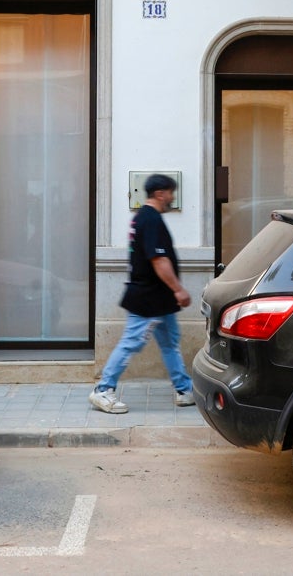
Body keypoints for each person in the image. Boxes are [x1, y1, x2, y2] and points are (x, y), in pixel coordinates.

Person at [89, 173, 194, 413]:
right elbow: (158, 260)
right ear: (160, 194)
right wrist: (178, 289)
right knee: (132, 343)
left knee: (170, 343)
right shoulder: (150, 219)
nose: (172, 198)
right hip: (148, 298)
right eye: (170, 193)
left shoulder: (143, 217)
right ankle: (103, 390)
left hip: (159, 299)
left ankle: (184, 389)